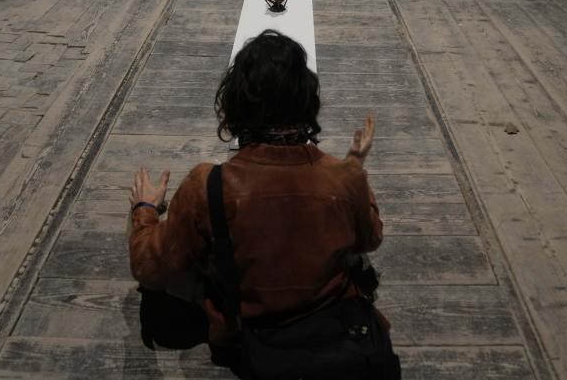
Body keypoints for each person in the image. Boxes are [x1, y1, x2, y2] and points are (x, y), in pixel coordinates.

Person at [128, 30, 392, 377]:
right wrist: (353, 168)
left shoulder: (208, 185)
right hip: (334, 331)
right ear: (308, 99)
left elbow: (149, 268)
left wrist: (145, 210)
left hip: (248, 337)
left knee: (182, 255)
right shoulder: (343, 177)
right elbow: (369, 238)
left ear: (236, 102)